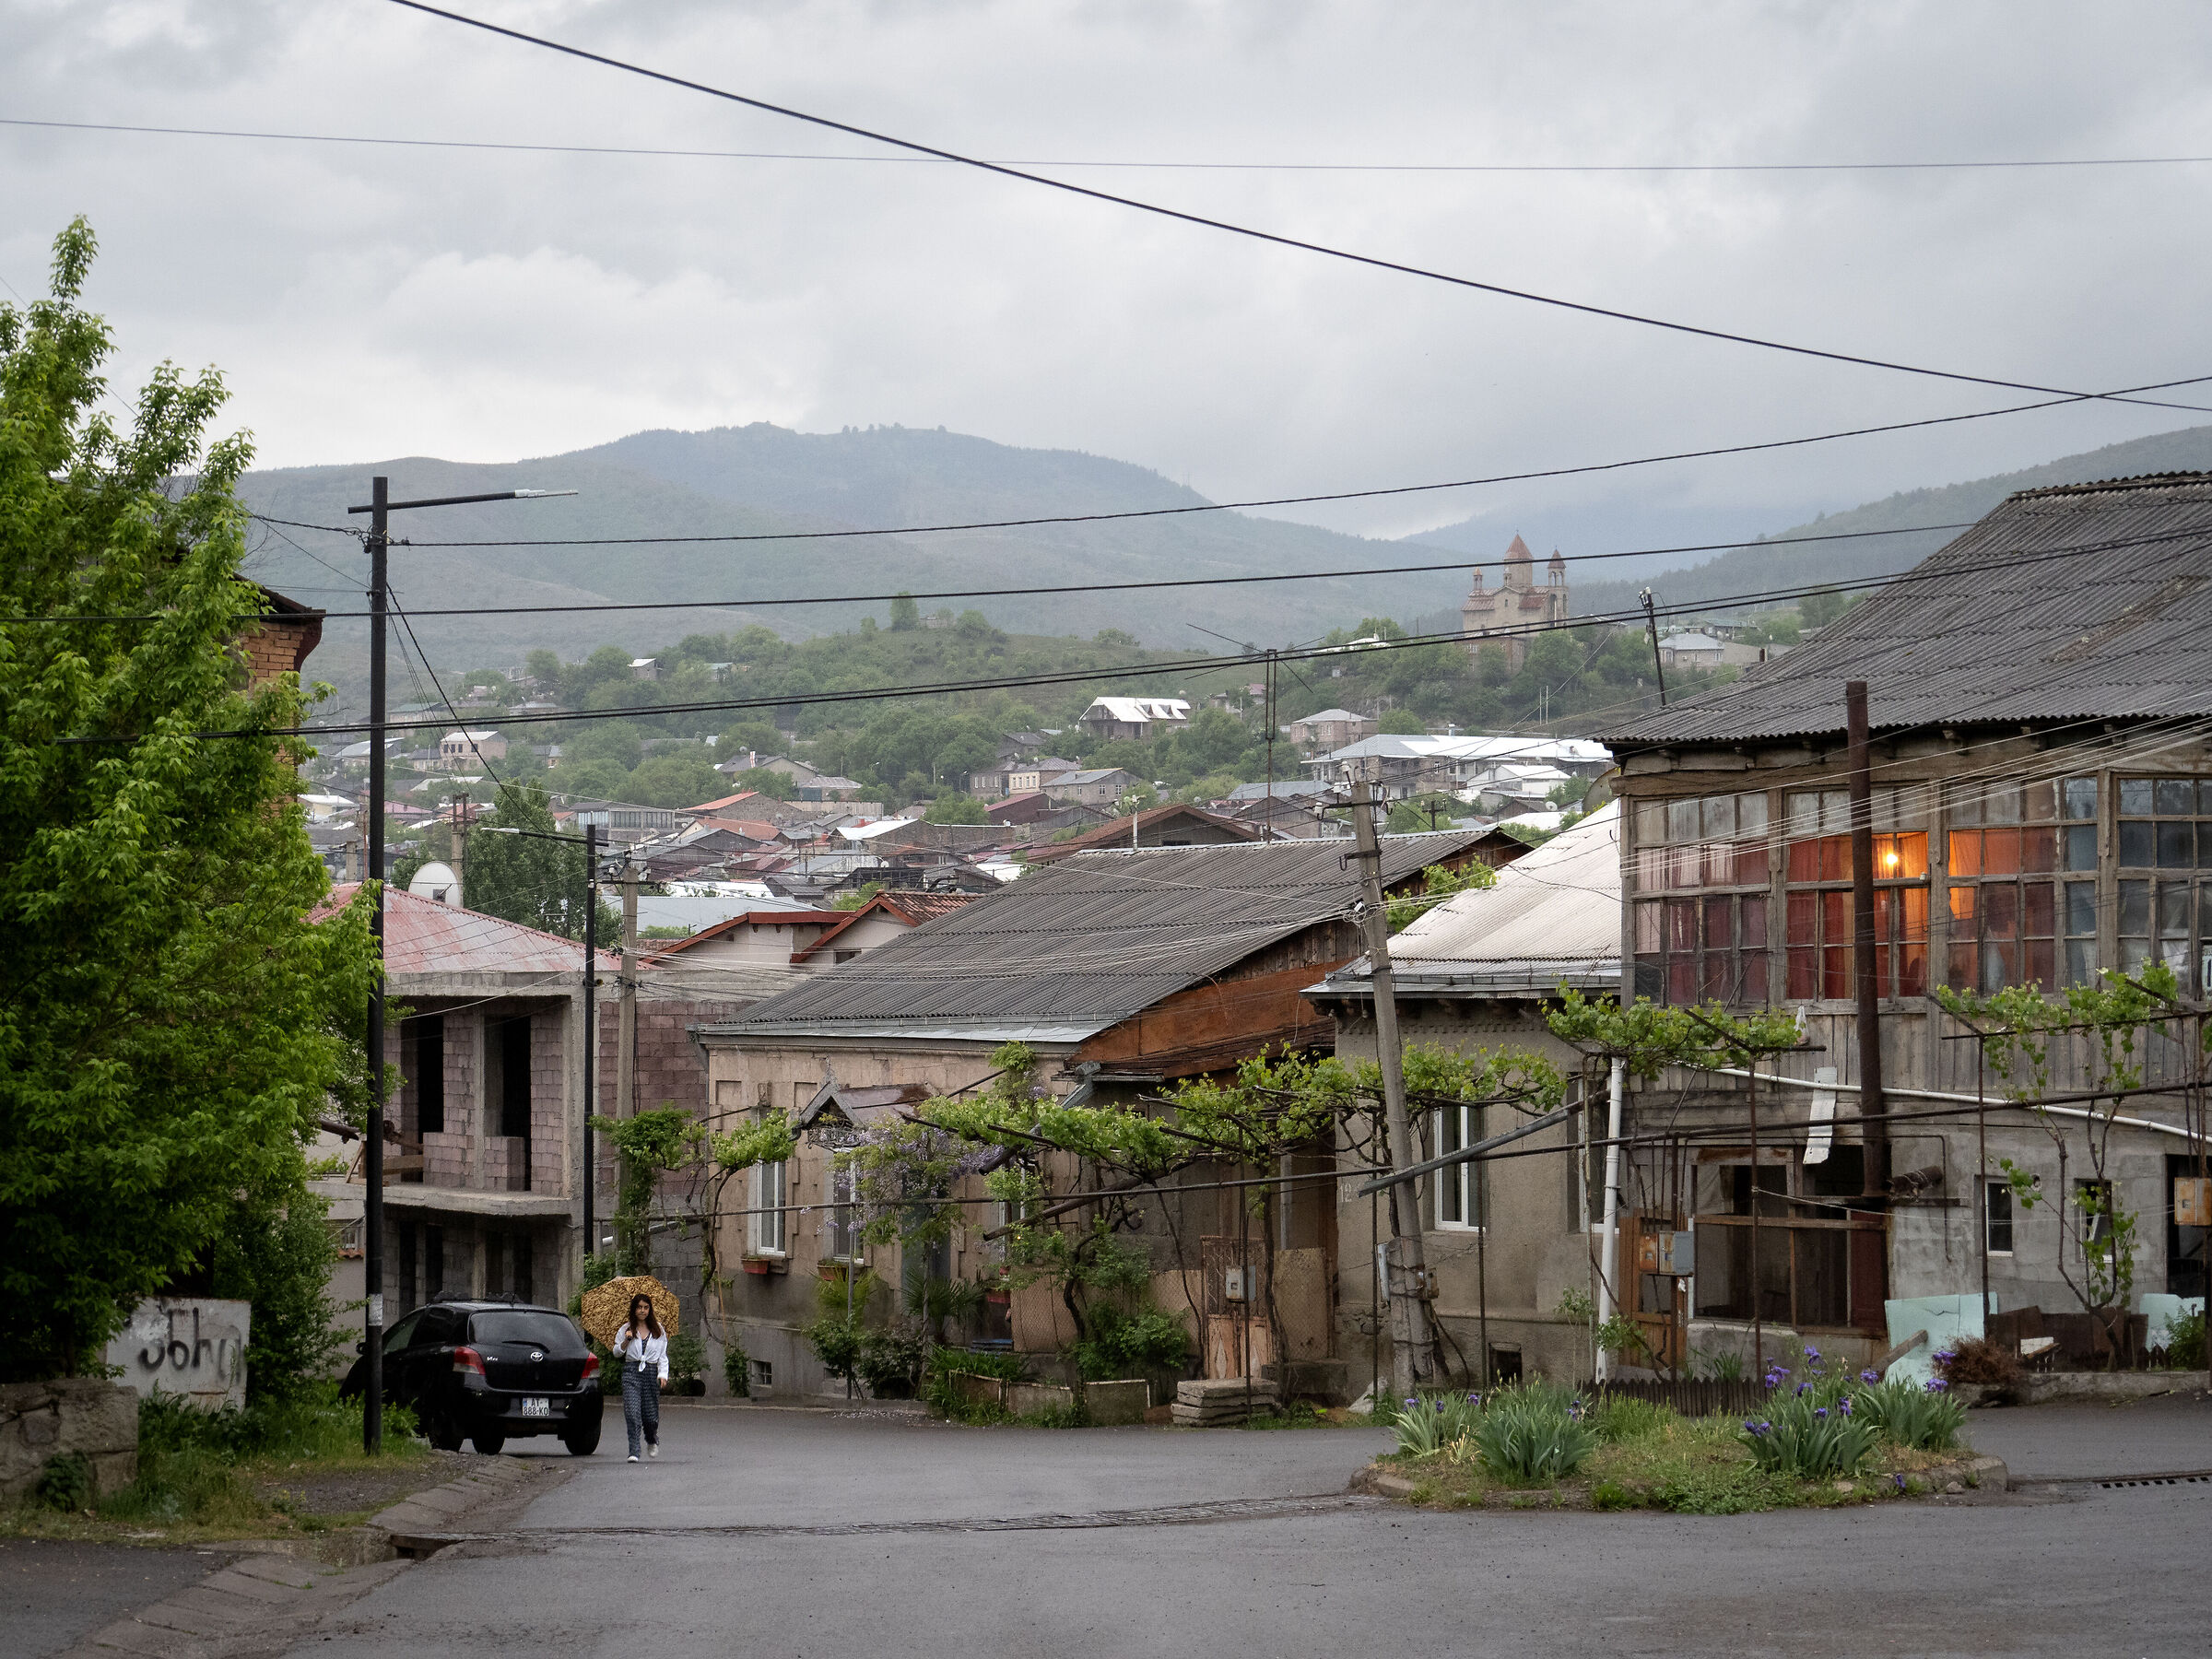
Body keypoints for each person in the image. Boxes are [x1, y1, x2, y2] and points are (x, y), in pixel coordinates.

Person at [613, 1293, 668, 1463]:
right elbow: (616, 1352)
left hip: (651, 1372)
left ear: (649, 1310)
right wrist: (626, 1341)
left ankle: (651, 1439)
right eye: (639, 1307)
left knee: (650, 1416)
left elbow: (662, 1355)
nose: (642, 1311)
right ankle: (634, 1451)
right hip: (631, 1371)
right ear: (634, 1309)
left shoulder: (657, 1330)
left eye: (645, 1307)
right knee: (632, 1412)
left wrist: (662, 1375)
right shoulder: (626, 1329)